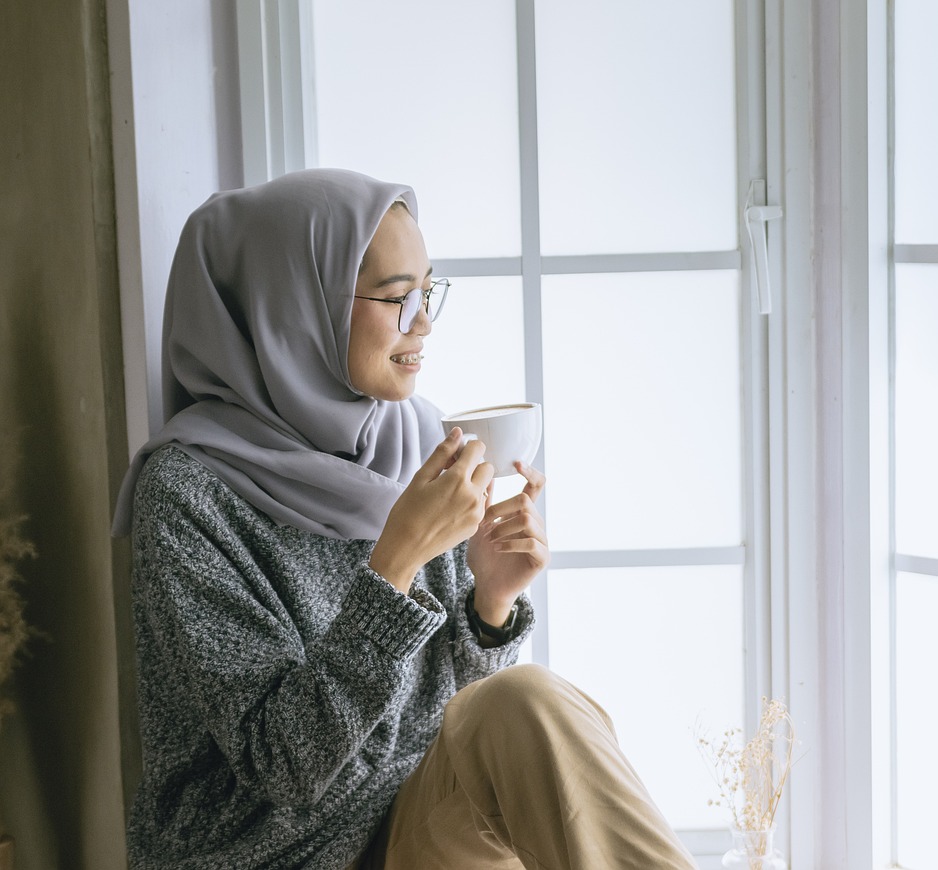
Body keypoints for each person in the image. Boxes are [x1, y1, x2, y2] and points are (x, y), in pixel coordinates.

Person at [112, 169, 697, 869]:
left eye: (427, 291)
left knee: (526, 700)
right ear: (291, 310)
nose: (423, 323)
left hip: (408, 824)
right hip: (277, 855)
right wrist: (395, 563)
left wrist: (489, 603)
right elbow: (285, 769)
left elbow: (456, 718)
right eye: (396, 297)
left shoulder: (412, 440)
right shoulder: (188, 493)